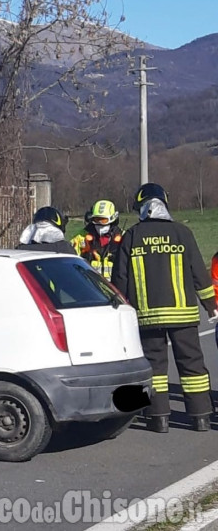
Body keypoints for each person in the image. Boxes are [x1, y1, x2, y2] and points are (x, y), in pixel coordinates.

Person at [112, 183, 217, 433]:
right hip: (184, 316)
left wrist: (119, 313)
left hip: (147, 317)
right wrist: (211, 306)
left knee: (155, 368)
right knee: (192, 366)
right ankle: (201, 416)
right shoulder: (183, 233)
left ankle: (158, 418)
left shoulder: (132, 236)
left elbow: (120, 281)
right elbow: (199, 275)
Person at [70, 199, 123, 279]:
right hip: (90, 287)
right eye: (97, 219)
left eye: (103, 220)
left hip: (114, 287)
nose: (100, 223)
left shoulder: (123, 238)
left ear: (113, 219)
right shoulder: (81, 238)